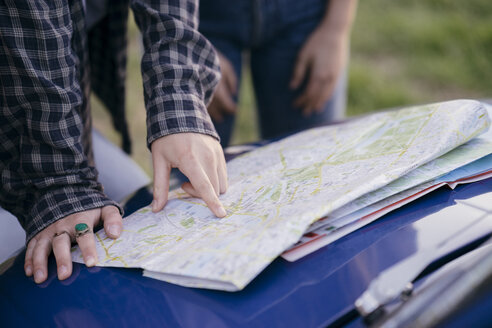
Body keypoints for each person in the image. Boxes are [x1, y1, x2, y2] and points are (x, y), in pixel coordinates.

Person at [0, 0, 227, 284]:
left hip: (54, 104)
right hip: (17, 113)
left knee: (134, 208)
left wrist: (178, 99)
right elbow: (25, 33)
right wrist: (59, 184)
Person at [199, 0, 358, 147]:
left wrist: (336, 27)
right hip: (200, 16)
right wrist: (189, 44)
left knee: (312, 161)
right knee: (191, 170)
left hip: (305, 16)